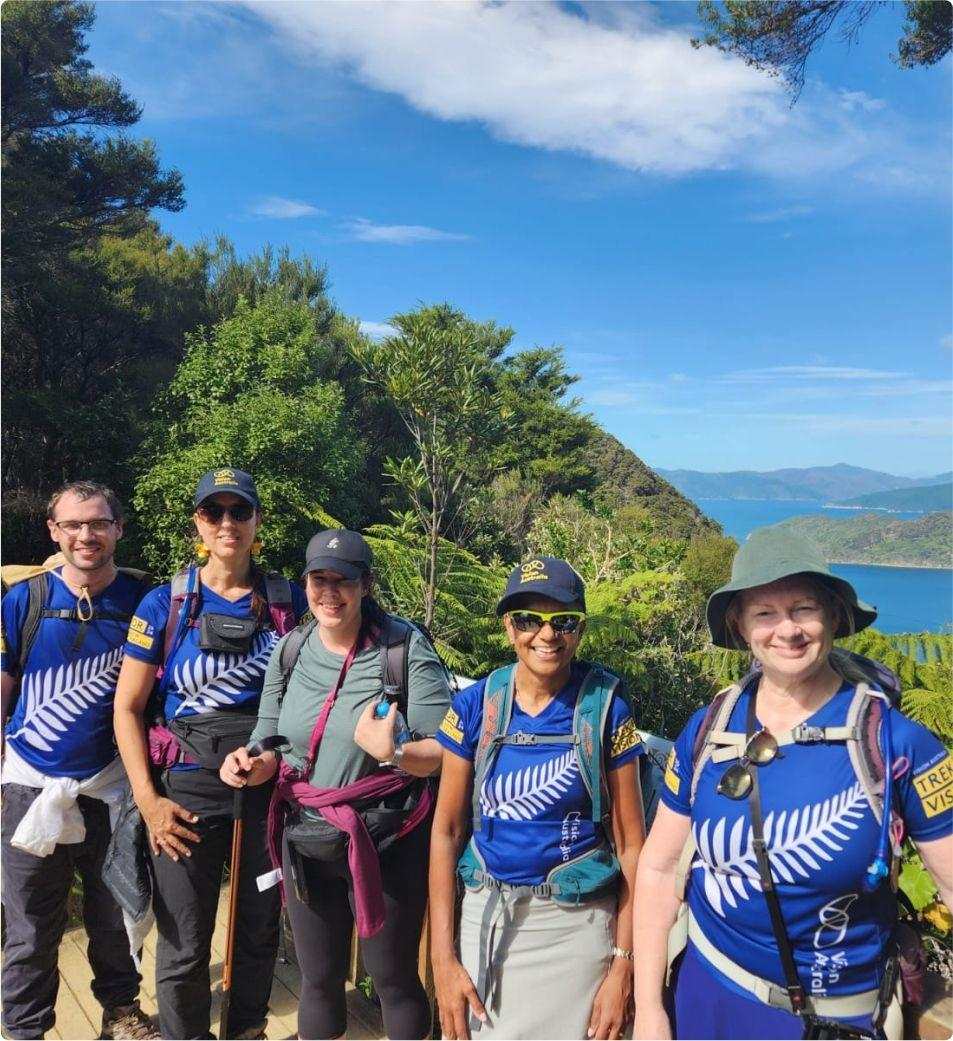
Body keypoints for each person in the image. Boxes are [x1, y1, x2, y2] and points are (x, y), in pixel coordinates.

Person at [633, 527, 953, 1041]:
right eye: (765, 613)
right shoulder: (710, 727)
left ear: (832, 615)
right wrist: (649, 1008)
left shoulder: (896, 744)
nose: (787, 630)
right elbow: (658, 866)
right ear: (740, 627)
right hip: (706, 995)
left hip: (835, 1020)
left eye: (804, 608)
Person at [219, 528, 451, 1041]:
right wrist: (248, 764)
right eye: (318, 580)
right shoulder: (292, 648)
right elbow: (268, 737)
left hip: (385, 838)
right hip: (306, 835)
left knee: (392, 979)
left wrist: (392, 751)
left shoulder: (402, 648)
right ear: (305, 583)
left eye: (343, 581)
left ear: (365, 584)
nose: (329, 593)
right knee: (318, 979)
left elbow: (444, 753)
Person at [113, 468, 307, 1040]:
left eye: (239, 511)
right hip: (185, 794)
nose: (228, 523)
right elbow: (128, 708)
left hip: (265, 788)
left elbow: (314, 689)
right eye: (215, 512)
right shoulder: (165, 603)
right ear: (199, 521)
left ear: (256, 522)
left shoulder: (287, 603)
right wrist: (149, 802)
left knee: (257, 926)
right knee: (185, 938)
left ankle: (245, 1029)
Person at [429, 557, 645, 1041]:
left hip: (577, 927)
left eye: (563, 622)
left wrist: (623, 966)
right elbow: (446, 831)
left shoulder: (606, 709)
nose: (546, 636)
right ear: (509, 627)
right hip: (486, 916)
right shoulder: (476, 706)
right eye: (529, 620)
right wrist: (443, 959)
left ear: (581, 630)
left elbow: (632, 845)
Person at [0, 480, 159, 1040]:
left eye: (97, 523)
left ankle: (120, 1013)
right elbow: (4, 685)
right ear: (54, 531)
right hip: (27, 783)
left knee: (113, 912)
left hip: (111, 786)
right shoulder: (23, 599)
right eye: (72, 524)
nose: (85, 535)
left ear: (117, 528)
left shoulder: (146, 602)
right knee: (29, 925)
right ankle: (24, 1030)